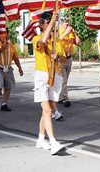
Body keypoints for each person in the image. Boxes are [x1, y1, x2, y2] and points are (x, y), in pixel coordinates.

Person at [32, 11, 66, 155]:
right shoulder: (36, 38)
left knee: (47, 111)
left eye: (51, 23)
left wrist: (57, 56)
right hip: (42, 76)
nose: (50, 26)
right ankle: (53, 142)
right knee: (47, 110)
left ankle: (40, 139)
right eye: (47, 23)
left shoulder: (57, 40)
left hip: (54, 76)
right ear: (41, 24)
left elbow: (64, 58)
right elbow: (42, 42)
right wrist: (53, 21)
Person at [0, 32, 23, 111]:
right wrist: (2, 48)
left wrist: (20, 68)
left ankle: (4, 104)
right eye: (2, 36)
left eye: (5, 36)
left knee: (8, 87)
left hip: (8, 69)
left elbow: (15, 58)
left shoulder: (11, 46)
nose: (4, 37)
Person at [59, 17, 81, 107]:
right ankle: (65, 99)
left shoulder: (71, 33)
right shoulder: (59, 32)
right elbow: (57, 41)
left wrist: (74, 33)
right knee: (63, 80)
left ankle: (60, 97)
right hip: (61, 59)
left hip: (69, 58)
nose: (68, 26)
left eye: (68, 24)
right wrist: (66, 33)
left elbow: (79, 43)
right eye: (66, 24)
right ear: (61, 24)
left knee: (65, 80)